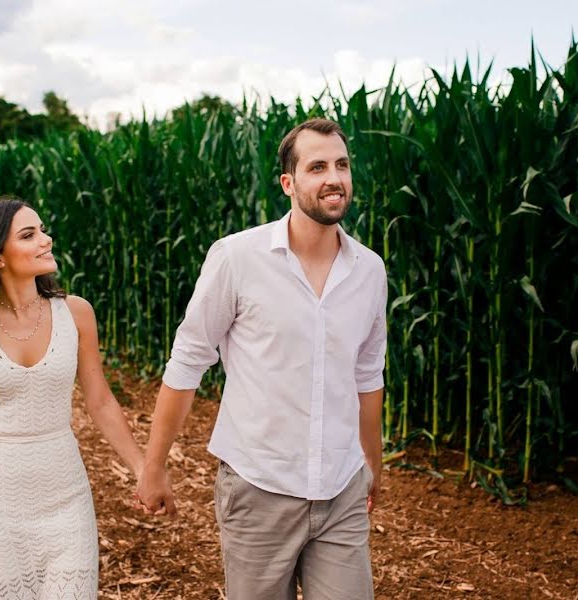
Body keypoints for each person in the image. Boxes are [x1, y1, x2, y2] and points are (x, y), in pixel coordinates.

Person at [135, 118, 388, 599]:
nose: (334, 177)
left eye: (342, 165)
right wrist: (154, 466)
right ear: (289, 184)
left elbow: (367, 373)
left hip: (342, 489)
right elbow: (188, 361)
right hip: (259, 487)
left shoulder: (369, 270)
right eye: (317, 167)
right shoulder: (237, 258)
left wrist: (371, 462)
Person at [0, 196, 144, 599]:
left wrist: (144, 469)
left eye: (42, 229)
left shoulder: (76, 313)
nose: (46, 239)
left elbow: (101, 402)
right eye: (29, 234)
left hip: (66, 500)